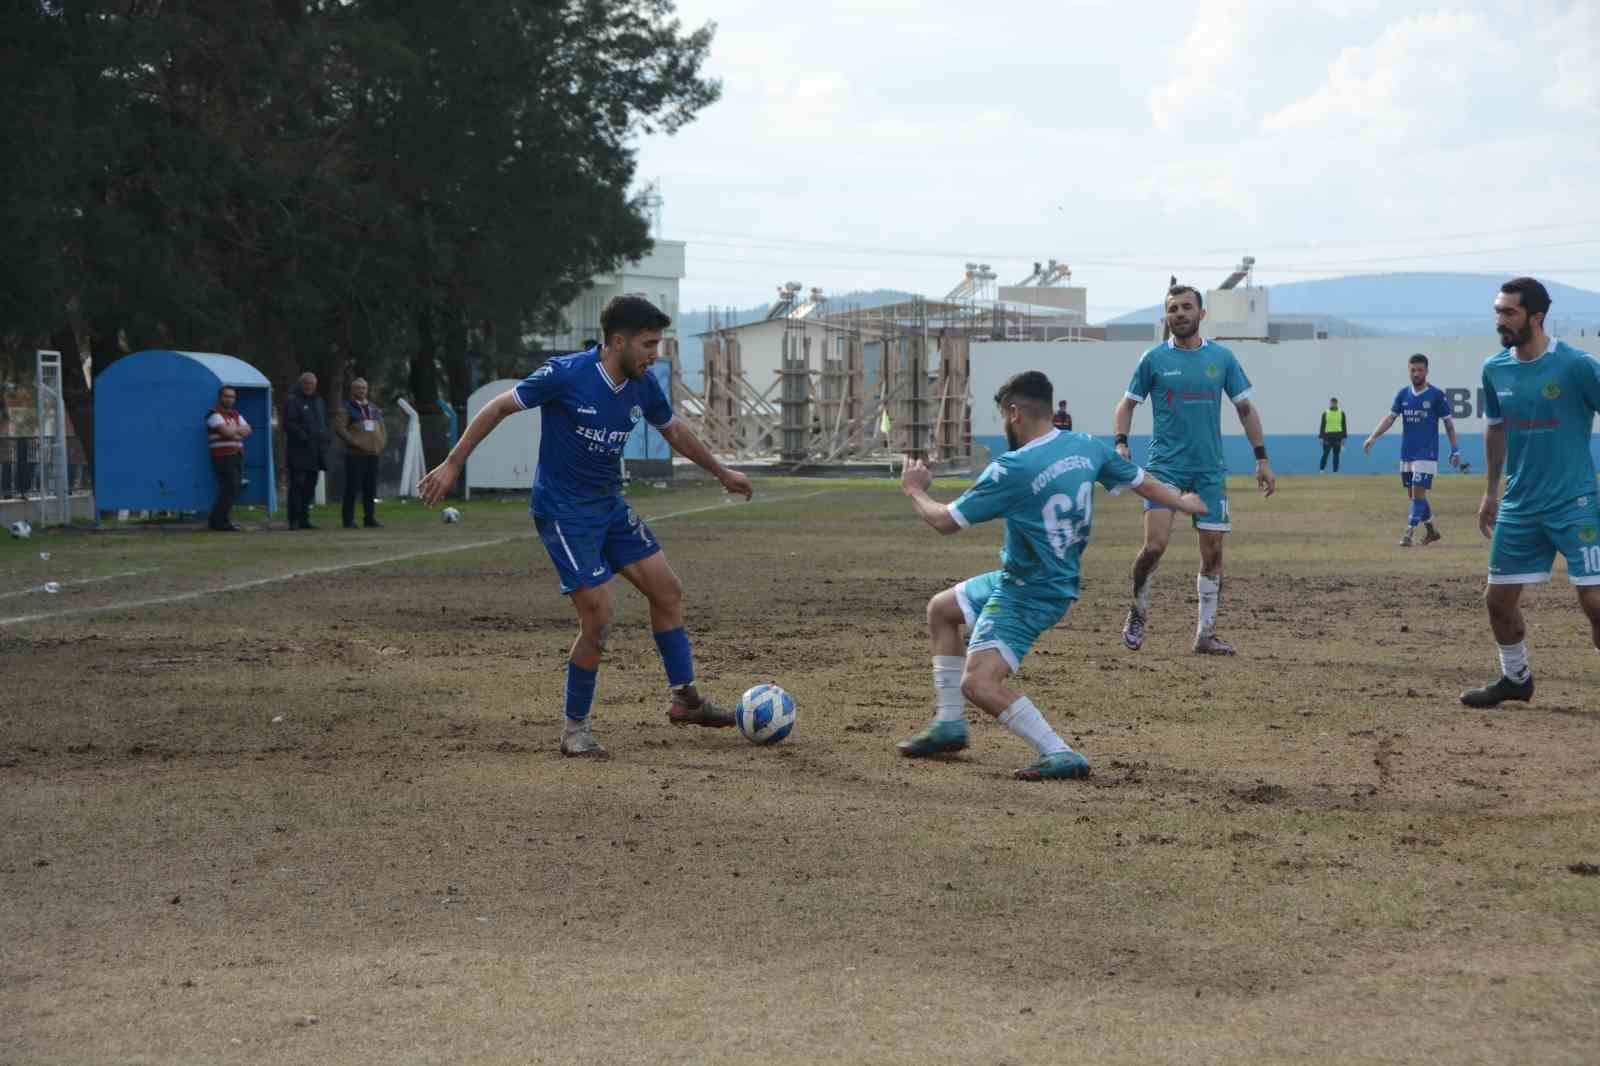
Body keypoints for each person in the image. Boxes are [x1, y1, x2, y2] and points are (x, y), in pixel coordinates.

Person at [417, 295, 754, 758]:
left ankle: (685, 699)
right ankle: (575, 729)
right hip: (563, 510)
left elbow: (674, 431)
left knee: (667, 591)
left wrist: (721, 471)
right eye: (649, 344)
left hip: (608, 505)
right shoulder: (565, 374)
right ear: (618, 342)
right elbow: (498, 407)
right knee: (597, 615)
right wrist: (453, 464)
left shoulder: (642, 383)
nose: (655, 353)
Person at [896, 371, 1206, 780]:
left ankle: (1058, 751)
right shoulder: (1084, 446)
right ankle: (949, 724)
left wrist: (915, 490)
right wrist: (1182, 502)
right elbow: (1143, 482)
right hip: (1035, 577)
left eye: (1002, 416)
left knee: (979, 683)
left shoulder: (1013, 468)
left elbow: (945, 522)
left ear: (1014, 412)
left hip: (1029, 592)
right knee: (942, 610)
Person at [1112, 284, 1277, 656]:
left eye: (1187, 307)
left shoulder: (1222, 358)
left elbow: (1245, 410)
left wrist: (1262, 459)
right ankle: (1137, 610)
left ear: (1202, 314)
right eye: (1173, 308)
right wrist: (1121, 442)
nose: (1180, 314)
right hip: (1164, 469)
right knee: (1154, 546)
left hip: (1208, 472)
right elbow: (1125, 405)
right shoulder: (1152, 359)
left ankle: (1205, 634)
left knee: (1213, 554)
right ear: (1166, 316)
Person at [1462, 277, 1600, 708]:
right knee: (1498, 600)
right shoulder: (1495, 368)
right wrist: (1490, 491)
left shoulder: (1577, 366)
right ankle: (1515, 678)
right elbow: (1497, 428)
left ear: (1536, 318)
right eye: (1498, 311)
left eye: (1509, 312)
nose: (1500, 320)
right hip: (1520, 506)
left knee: (1595, 602)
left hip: (1575, 503)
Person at [1361, 354, 1459, 546]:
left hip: (1427, 454)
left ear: (1427, 371)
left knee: (1417, 494)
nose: (1416, 373)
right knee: (1414, 496)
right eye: (1413, 370)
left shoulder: (1436, 395)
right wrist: (1373, 437)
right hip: (1408, 453)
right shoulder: (1403, 394)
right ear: (1409, 371)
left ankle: (1408, 533)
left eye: (1420, 369)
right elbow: (1390, 418)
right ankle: (1431, 532)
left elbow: (1448, 423)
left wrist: (1455, 449)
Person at [333, 377, 387, 529]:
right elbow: (340, 428)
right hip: (355, 455)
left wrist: (381, 442)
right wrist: (355, 442)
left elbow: (381, 427)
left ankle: (369, 518)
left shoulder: (374, 408)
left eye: (364, 388)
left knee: (370, 488)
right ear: (352, 390)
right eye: (358, 388)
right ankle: (348, 520)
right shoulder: (346, 408)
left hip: (373, 454)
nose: (361, 391)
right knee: (352, 488)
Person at [283, 371, 329, 530]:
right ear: (300, 384)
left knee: (310, 485)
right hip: (298, 451)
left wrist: (324, 439)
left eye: (312, 384)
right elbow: (289, 423)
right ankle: (293, 519)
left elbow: (323, 423)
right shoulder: (293, 401)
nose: (309, 386)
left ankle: (304, 518)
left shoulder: (319, 401)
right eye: (306, 383)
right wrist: (303, 436)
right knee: (297, 485)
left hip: (316, 452)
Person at [205, 385, 251, 532]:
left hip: (237, 455)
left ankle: (218, 520)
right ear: (220, 397)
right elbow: (226, 433)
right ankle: (220, 521)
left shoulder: (236, 414)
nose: (230, 399)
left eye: (232, 397)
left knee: (233, 488)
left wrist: (234, 432)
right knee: (230, 487)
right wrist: (237, 431)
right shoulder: (213, 415)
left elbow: (248, 430)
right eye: (227, 396)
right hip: (222, 456)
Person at [1317, 397, 1347, 472]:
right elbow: (1322, 425)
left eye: (1334, 403)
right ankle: (1322, 469)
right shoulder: (1325, 413)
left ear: (1337, 403)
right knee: (1325, 453)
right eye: (1331, 403)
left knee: (1336, 455)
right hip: (1327, 436)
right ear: (1330, 403)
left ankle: (1335, 471)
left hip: (1338, 436)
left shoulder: (1341, 413)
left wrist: (1344, 438)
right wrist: (1321, 437)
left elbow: (1344, 425)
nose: (1333, 404)